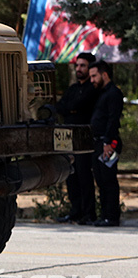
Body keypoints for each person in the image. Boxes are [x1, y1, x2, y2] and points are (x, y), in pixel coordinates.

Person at [55, 52, 97, 224]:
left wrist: (72, 108)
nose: (79, 68)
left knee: (84, 175)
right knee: (71, 175)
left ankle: (88, 213)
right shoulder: (73, 89)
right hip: (67, 137)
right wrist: (71, 109)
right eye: (77, 65)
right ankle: (75, 211)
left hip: (83, 138)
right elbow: (62, 106)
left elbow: (79, 106)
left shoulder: (92, 89)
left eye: (83, 66)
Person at [88, 59, 124, 227]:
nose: (92, 80)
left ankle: (112, 216)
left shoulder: (113, 93)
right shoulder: (101, 93)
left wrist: (108, 142)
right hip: (98, 142)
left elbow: (113, 119)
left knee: (109, 180)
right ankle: (105, 215)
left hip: (107, 142)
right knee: (101, 181)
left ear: (104, 74)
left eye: (94, 76)